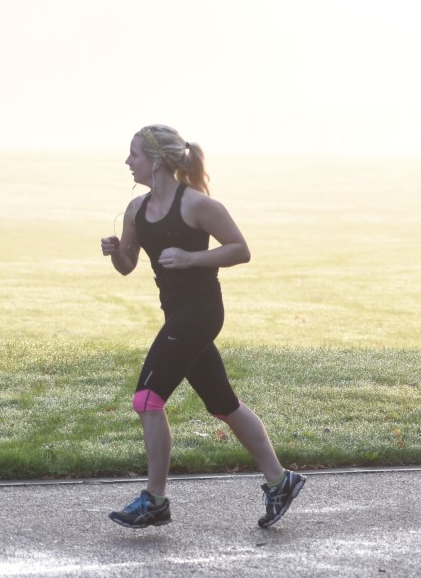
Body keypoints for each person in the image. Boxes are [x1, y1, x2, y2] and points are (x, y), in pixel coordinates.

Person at [100, 124, 306, 529]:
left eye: (134, 154)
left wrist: (193, 259)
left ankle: (155, 500)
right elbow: (127, 265)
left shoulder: (195, 205)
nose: (128, 162)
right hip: (176, 314)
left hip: (201, 312)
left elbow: (240, 250)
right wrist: (113, 253)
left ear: (156, 161)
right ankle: (281, 481)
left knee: (147, 399)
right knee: (222, 403)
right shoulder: (136, 211)